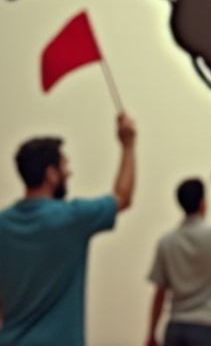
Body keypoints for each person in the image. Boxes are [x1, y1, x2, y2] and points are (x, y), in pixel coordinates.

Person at [0, 113, 137, 346]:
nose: (69, 172)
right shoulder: (71, 218)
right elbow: (122, 197)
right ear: (51, 174)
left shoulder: (3, 224)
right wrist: (128, 145)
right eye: (65, 165)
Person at [146, 179, 211, 346]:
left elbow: (160, 294)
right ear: (203, 203)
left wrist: (151, 333)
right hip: (208, 329)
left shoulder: (166, 242)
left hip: (176, 329)